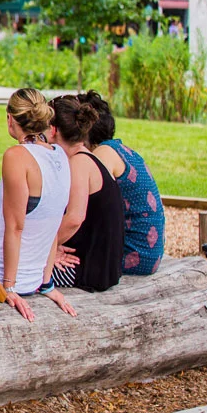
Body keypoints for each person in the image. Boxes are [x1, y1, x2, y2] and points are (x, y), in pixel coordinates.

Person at [0, 90, 77, 319]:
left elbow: (15, 227)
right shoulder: (60, 155)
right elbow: (54, 222)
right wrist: (46, 283)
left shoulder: (17, 156)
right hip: (34, 279)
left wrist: (9, 287)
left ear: (10, 119)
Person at [80, 91, 166, 276]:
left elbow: (86, 211)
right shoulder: (120, 149)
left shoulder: (101, 155)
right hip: (149, 253)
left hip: (134, 255)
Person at [47, 95, 125, 292]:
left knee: (19, 271)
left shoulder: (79, 163)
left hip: (87, 268)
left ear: (53, 130)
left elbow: (74, 218)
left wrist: (46, 248)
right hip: (101, 265)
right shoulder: (89, 158)